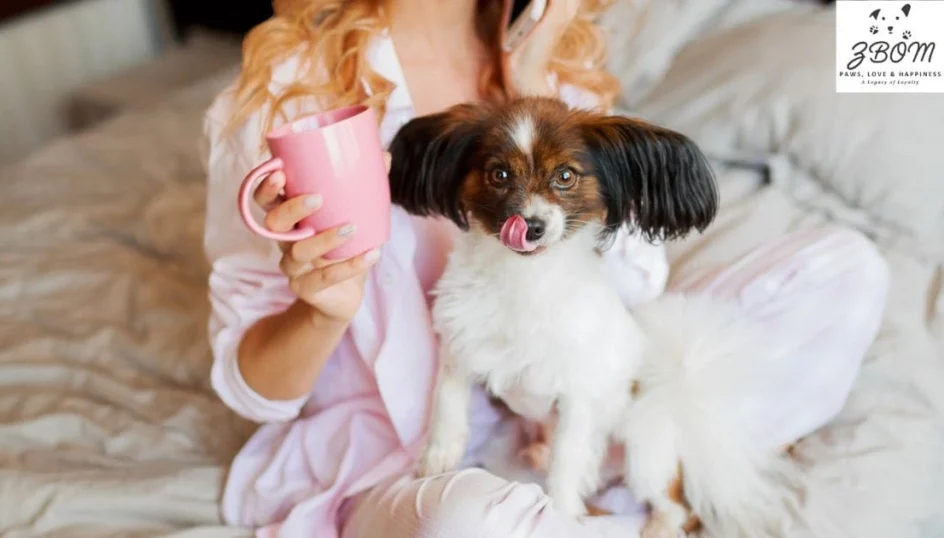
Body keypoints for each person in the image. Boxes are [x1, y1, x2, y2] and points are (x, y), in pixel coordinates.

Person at [201, 1, 890, 537]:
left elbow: (637, 287)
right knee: (465, 521)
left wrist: (532, 87)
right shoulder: (286, 96)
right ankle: (637, 499)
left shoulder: (554, 69)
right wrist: (321, 310)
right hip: (412, 463)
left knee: (844, 270)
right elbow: (252, 390)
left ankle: (615, 487)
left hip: (576, 391)